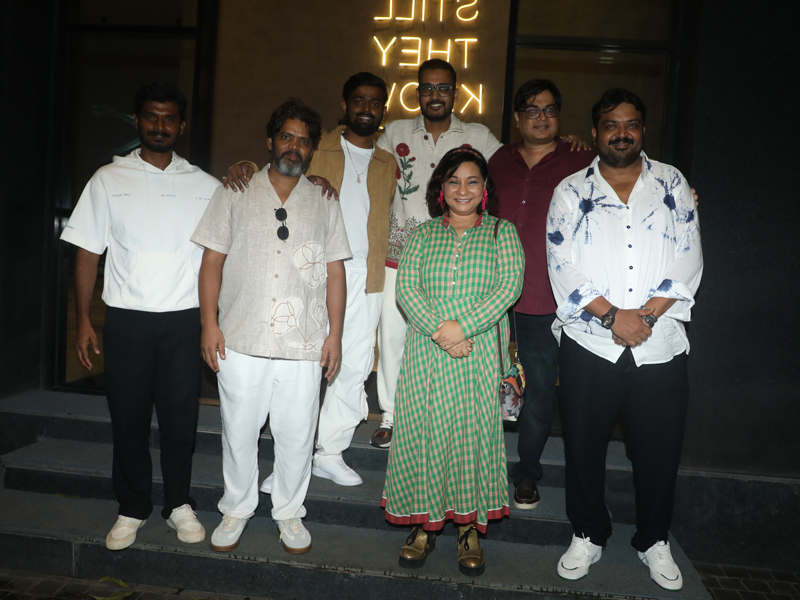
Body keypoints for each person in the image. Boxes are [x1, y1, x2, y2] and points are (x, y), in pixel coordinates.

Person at [546, 89, 702, 590]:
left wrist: (645, 317)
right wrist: (614, 317)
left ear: (642, 129)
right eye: (611, 124)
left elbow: (689, 257)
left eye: (630, 124)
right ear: (595, 132)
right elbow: (560, 264)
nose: (621, 133)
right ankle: (588, 533)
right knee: (583, 448)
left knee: (659, 453)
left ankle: (654, 540)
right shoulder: (571, 190)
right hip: (590, 344)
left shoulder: (673, 184)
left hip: (660, 345)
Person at [60, 82, 220, 551]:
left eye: (169, 118)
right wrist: (83, 320)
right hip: (127, 321)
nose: (160, 125)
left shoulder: (206, 186)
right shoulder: (108, 179)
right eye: (151, 116)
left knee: (179, 421)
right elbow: (87, 253)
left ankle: (178, 504)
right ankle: (132, 506)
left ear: (181, 126)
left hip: (183, 321)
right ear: (137, 121)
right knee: (128, 419)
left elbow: (220, 259)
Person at [191, 98, 351, 555]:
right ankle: (236, 508)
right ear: (270, 141)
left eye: (303, 141)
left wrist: (335, 335)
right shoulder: (235, 189)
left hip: (305, 342)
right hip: (241, 337)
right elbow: (211, 261)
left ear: (312, 150)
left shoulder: (324, 200)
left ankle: (289, 512)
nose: (294, 146)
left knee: (297, 435)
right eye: (286, 137)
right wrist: (208, 324)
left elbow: (335, 271)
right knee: (239, 432)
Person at [223, 73, 398, 487]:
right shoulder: (317, 147)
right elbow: (278, 171)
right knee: (296, 367)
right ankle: (286, 465)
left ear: (383, 110)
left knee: (351, 365)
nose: (366, 108)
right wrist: (244, 165)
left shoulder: (388, 163)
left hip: (367, 275)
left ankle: (329, 452)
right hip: (311, 273)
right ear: (345, 105)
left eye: (375, 102)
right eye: (359, 100)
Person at [382, 147, 525, 576]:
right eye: (453, 181)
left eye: (472, 181)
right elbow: (406, 290)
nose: (463, 189)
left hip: (477, 355)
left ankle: (468, 530)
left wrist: (461, 329)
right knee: (424, 437)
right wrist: (441, 333)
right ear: (440, 189)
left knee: (469, 439)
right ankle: (423, 525)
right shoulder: (423, 235)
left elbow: (508, 288)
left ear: (485, 189)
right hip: (426, 355)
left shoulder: (502, 233)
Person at [371, 59, 504, 449]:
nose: (435, 95)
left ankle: (434, 414)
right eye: (427, 88)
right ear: (416, 93)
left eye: (443, 88)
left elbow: (512, 169)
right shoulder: (394, 132)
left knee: (448, 335)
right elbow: (365, 169)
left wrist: (568, 147)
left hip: (457, 258)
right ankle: (392, 415)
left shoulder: (478, 136)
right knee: (393, 337)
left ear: (456, 94)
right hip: (399, 256)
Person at [489, 80, 594, 511]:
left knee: (537, 392)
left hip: (544, 300)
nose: (541, 117)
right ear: (518, 118)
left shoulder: (582, 159)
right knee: (479, 387)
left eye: (549, 110)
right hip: (489, 297)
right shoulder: (498, 160)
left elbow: (633, 178)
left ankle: (527, 473)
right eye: (532, 110)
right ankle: (476, 467)